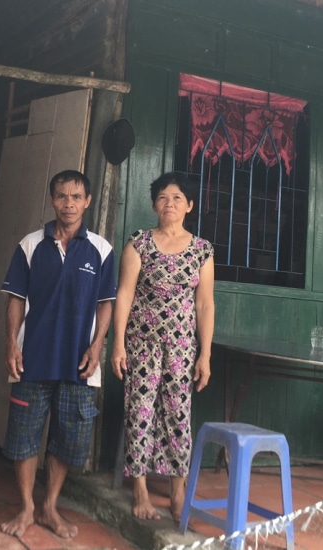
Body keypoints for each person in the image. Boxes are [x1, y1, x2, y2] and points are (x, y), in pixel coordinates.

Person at [0, 169, 116, 539]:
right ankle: (26, 507)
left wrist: (97, 347)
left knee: (68, 439)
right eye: (62, 196)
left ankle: (49, 506)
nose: (69, 203)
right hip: (32, 358)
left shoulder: (101, 250)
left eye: (76, 196)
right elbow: (15, 299)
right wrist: (11, 344)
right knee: (24, 436)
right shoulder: (30, 245)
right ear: (52, 200)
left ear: (88, 201)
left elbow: (106, 304)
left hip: (79, 362)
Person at [111, 172, 215, 522]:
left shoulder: (202, 250)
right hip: (142, 343)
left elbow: (205, 304)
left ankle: (177, 489)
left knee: (178, 413)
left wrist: (205, 354)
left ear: (190, 205)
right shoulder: (139, 243)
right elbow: (124, 294)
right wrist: (118, 344)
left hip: (182, 347)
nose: (169, 204)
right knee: (139, 409)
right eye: (162, 198)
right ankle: (139, 488)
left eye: (177, 198)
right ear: (154, 205)